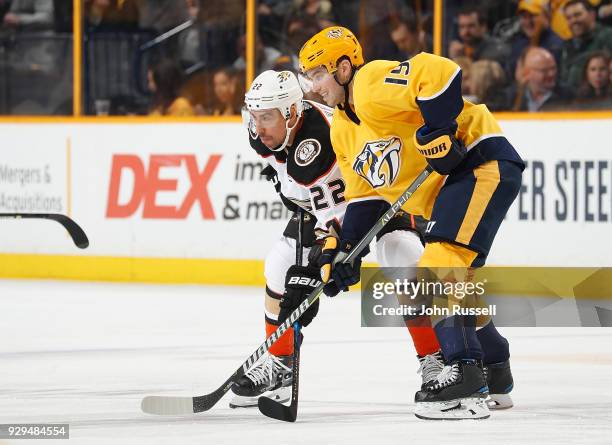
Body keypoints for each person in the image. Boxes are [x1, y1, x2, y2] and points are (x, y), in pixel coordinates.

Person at [298, 26, 524, 420]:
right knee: (456, 279)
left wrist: (439, 129)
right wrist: (349, 251)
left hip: (479, 161)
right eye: (309, 77)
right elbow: (366, 198)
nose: (314, 86)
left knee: (439, 262)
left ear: (344, 67)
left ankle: (465, 372)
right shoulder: (342, 128)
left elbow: (439, 72)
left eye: (318, 74)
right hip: (454, 184)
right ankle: (496, 365)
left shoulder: (369, 83)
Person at [229, 70, 444, 408]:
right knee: (279, 265)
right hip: (327, 209)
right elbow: (319, 208)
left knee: (402, 258)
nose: (259, 127)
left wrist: (324, 256)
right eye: (254, 117)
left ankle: (438, 361)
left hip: (379, 197)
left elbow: (341, 217)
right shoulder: (265, 135)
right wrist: (318, 255)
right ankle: (281, 365)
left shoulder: (317, 143)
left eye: (267, 117)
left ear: (292, 113)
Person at [560, 0, 612, 88]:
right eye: (569, 18)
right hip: (572, 99)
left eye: (577, 15)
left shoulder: (608, 36)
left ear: (592, 15)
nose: (573, 21)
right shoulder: (567, 46)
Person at [508, 0, 564, 78]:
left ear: (546, 17)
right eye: (524, 17)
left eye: (532, 16)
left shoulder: (557, 46)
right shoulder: (517, 44)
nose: (528, 22)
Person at [509, 46, 572, 111]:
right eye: (544, 70)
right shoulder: (510, 98)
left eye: (553, 68)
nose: (551, 74)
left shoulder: (568, 97)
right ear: (527, 73)